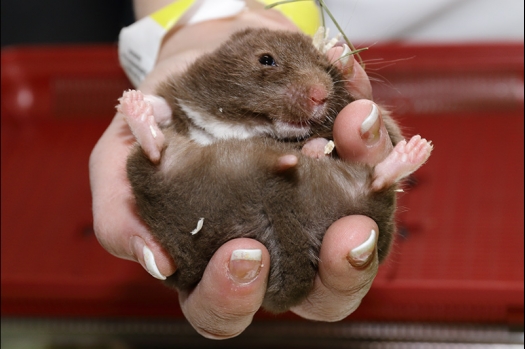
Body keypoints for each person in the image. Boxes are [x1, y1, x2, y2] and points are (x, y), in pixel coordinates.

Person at [89, 0, 395, 339]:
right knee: (155, 165)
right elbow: (177, 105)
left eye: (321, 68)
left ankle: (369, 178)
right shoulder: (203, 85)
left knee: (352, 156)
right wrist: (197, 26)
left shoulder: (308, 111)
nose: (318, 90)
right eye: (268, 63)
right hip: (209, 193)